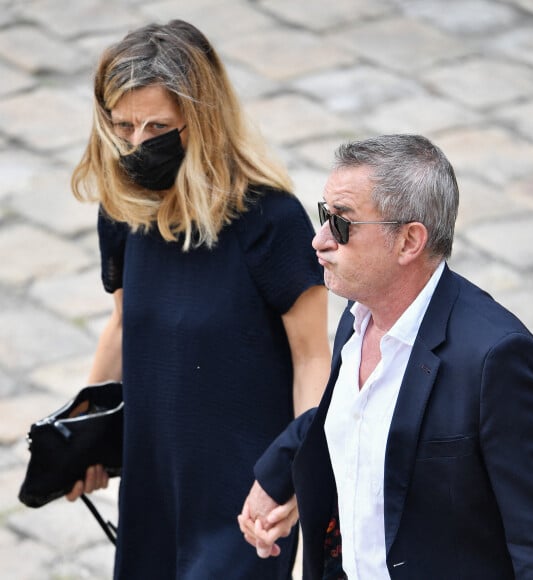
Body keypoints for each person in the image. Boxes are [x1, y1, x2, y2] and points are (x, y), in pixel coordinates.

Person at [239, 134, 533, 579]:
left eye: (341, 224)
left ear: (409, 241)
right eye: (324, 216)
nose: (319, 240)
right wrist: (281, 471)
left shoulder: (498, 360)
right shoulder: (358, 317)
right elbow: (351, 417)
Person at [65, 19, 331, 579]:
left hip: (245, 500)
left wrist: (301, 478)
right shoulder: (124, 208)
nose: (137, 144)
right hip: (151, 491)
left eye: (157, 126)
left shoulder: (271, 220)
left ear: (200, 121)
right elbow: (120, 325)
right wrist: (83, 433)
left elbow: (312, 358)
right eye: (124, 126)